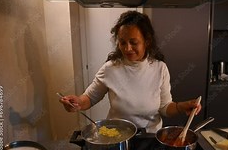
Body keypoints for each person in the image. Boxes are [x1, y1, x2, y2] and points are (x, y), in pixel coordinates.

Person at [59, 10, 202, 134]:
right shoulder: (110, 68)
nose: (127, 48)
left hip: (149, 138)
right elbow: (89, 98)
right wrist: (77, 103)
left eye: (133, 42)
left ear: (147, 41)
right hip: (117, 137)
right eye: (122, 42)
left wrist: (181, 106)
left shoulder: (160, 68)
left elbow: (165, 107)